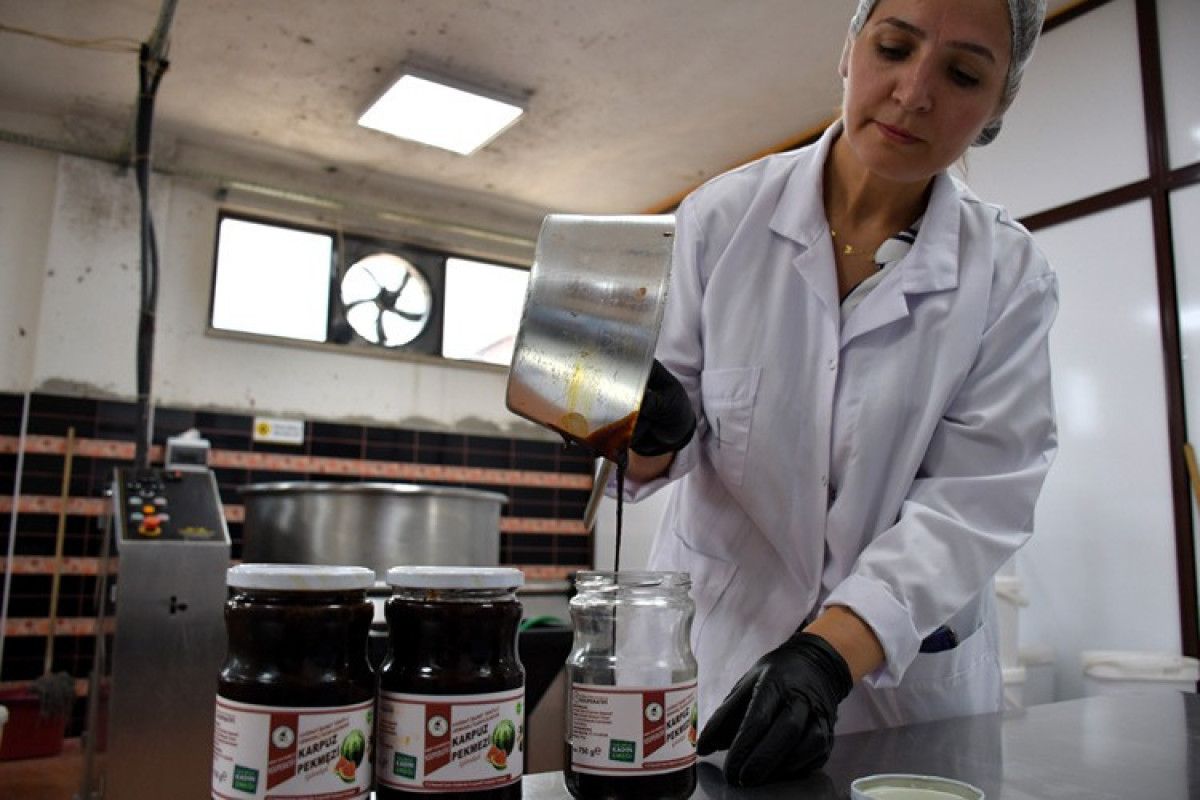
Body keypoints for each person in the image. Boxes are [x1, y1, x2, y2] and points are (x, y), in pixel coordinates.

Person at [622, 0, 1056, 788]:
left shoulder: (1008, 277)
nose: (914, 93)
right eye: (893, 47)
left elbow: (976, 499)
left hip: (900, 696)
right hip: (722, 658)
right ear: (849, 51)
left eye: (962, 74)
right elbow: (644, 458)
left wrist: (829, 654)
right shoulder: (721, 221)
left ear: (999, 103)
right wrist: (650, 432)